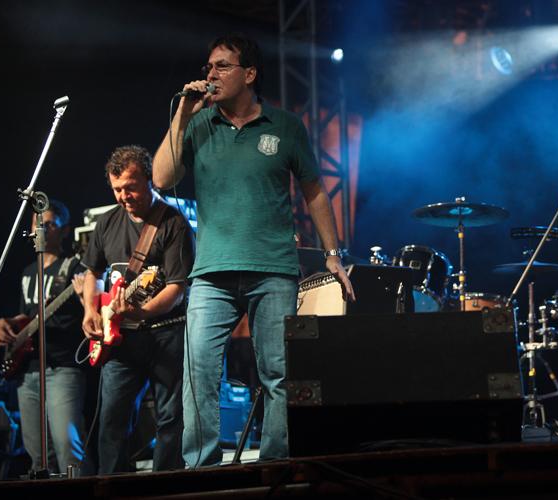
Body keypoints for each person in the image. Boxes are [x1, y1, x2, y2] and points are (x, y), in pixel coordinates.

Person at [152, 33, 355, 467]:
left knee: (278, 373)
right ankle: (202, 467)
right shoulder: (199, 124)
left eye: (222, 66)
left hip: (273, 268)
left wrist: (332, 254)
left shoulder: (285, 126)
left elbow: (315, 191)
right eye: (208, 67)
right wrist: (184, 113)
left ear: (249, 74)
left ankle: (275, 466)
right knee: (198, 370)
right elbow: (162, 179)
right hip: (211, 273)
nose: (211, 74)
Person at [81, 145, 195, 473]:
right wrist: (91, 311)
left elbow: (176, 288)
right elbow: (93, 273)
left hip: (166, 334)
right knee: (111, 420)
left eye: (130, 187)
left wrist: (141, 312)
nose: (123, 196)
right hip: (120, 341)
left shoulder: (173, 223)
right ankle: (113, 485)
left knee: (170, 418)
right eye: (117, 189)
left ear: (149, 179)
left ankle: (165, 485)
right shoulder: (107, 222)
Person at [0, 199, 91, 475]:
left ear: (65, 230)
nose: (42, 229)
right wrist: (5, 323)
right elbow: (26, 316)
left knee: (68, 448)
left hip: (62, 369)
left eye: (50, 224)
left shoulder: (74, 267)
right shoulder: (27, 272)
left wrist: (83, 295)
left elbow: (92, 310)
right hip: (28, 372)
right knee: (38, 457)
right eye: (38, 224)